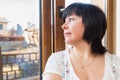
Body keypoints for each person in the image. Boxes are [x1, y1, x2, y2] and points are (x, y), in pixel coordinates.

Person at [42, 2, 120, 80]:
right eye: (65, 21)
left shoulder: (115, 63)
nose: (63, 26)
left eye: (71, 19)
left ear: (91, 23)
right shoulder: (58, 60)